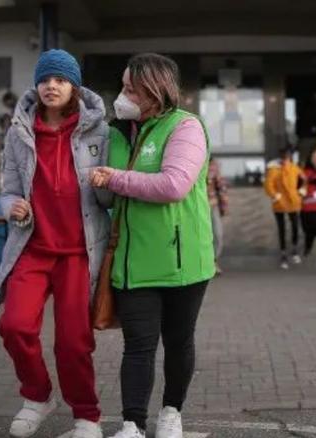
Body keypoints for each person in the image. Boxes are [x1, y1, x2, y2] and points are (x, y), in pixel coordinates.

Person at [90, 53, 214, 438]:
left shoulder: (185, 127)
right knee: (138, 346)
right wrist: (100, 184)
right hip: (132, 260)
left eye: (131, 89)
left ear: (154, 91)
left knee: (178, 342)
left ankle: (171, 412)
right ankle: (132, 423)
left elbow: (173, 185)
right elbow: (105, 196)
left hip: (183, 261)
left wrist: (114, 179)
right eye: (123, 86)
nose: (122, 95)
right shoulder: (114, 133)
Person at [0, 49, 111, 438]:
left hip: (79, 253)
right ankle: (38, 397)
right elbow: (8, 190)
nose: (51, 86)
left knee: (74, 343)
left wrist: (106, 183)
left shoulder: (100, 132)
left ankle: (87, 415)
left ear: (74, 86)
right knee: (14, 326)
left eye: (60, 80)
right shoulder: (18, 132)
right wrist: (12, 207)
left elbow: (109, 196)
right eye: (44, 80)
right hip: (33, 248)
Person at [264, 147, 305, 270]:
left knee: (295, 226)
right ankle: (283, 253)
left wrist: (302, 191)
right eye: (284, 157)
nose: (285, 159)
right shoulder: (274, 170)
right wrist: (275, 195)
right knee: (281, 229)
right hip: (280, 203)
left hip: (293, 202)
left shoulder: (294, 168)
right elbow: (268, 184)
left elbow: (304, 180)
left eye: (287, 157)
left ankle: (294, 250)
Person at [207, 156, 228, 275]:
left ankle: (213, 261)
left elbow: (222, 188)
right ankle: (207, 264)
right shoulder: (193, 165)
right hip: (195, 208)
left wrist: (223, 206)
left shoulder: (213, 168)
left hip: (212, 206)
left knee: (217, 234)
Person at [296, 93, 316, 166]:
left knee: (302, 159)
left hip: (305, 137)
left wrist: (299, 135)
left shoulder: (304, 110)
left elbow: (299, 123)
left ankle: (301, 172)